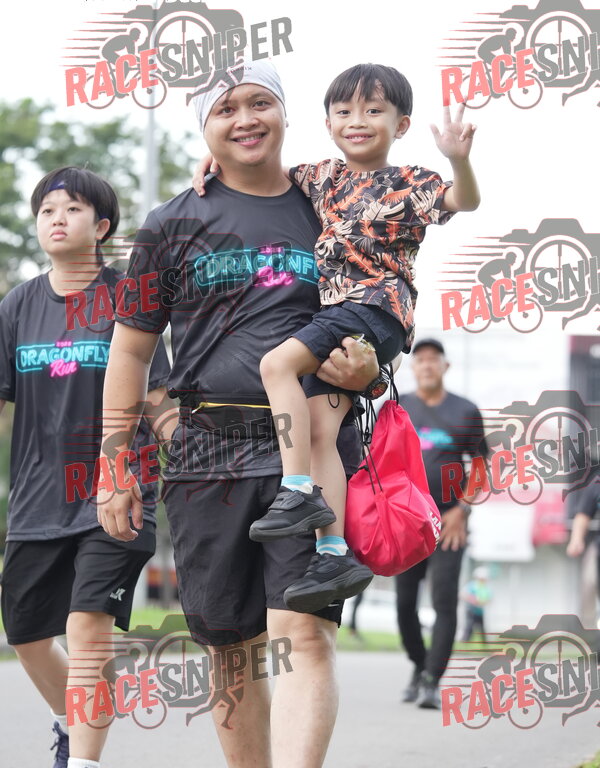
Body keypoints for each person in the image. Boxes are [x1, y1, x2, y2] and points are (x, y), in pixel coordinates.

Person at [96, 60, 382, 768]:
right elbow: (130, 351)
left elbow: (381, 309)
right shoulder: (170, 224)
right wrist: (116, 463)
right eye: (225, 109)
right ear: (205, 126)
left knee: (305, 633)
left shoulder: (333, 208)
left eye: (260, 103)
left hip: (310, 451)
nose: (246, 119)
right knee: (230, 647)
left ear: (285, 113)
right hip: (205, 456)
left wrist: (374, 371)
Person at [194, 62, 480, 613]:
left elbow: (463, 201)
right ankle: (332, 553)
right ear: (328, 124)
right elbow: (259, 168)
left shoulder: (411, 182)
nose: (358, 121)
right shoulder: (321, 176)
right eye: (344, 111)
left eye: (374, 111)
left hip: (374, 308)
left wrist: (459, 159)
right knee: (321, 429)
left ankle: (296, 489)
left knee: (275, 365)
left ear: (400, 125)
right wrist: (213, 158)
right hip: (343, 317)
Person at [0, 166, 173, 768]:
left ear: (101, 227)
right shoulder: (18, 305)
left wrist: (191, 458)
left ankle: (83, 763)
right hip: (36, 500)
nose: (57, 219)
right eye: (47, 210)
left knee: (87, 628)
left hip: (118, 493)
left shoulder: (129, 299)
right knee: (25, 635)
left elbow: (158, 398)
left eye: (72, 209)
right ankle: (71, 723)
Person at [395, 338, 488, 709]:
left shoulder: (465, 410)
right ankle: (420, 665)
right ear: (413, 368)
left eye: (434, 359)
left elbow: (479, 465)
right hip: (408, 522)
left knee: (444, 601)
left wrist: (462, 510)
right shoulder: (399, 406)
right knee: (404, 604)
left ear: (445, 366)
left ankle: (432, 680)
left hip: (449, 523)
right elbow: (386, 459)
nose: (427, 365)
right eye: (420, 359)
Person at [460, 566, 492, 642]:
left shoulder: (485, 587)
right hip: (471, 609)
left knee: (481, 627)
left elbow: (489, 599)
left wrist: (483, 602)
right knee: (469, 626)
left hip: (480, 610)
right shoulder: (472, 585)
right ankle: (465, 640)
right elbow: (463, 595)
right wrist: (472, 599)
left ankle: (484, 642)